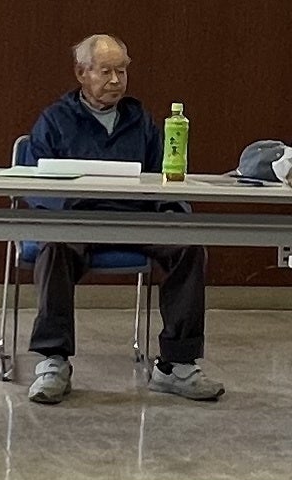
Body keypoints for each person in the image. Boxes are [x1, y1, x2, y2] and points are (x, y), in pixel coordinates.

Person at [18, 34, 220, 405]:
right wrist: (62, 212)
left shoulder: (140, 120)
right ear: (82, 73)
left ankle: (176, 366)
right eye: (106, 72)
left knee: (188, 246)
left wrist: (173, 213)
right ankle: (53, 362)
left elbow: (163, 175)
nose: (115, 81)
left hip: (135, 217)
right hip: (77, 218)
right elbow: (35, 183)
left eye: (122, 72)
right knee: (54, 244)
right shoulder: (55, 120)